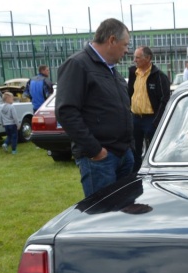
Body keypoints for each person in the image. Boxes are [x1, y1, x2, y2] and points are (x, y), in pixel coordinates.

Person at [55, 18, 134, 198]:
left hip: (123, 154)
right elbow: (66, 111)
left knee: (124, 209)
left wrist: (129, 148)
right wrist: (96, 151)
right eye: (125, 45)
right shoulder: (78, 65)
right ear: (111, 40)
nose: (127, 50)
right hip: (101, 159)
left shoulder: (111, 70)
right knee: (103, 212)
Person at [127, 46, 171, 172]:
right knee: (135, 151)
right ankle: (136, 175)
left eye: (137, 57)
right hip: (135, 119)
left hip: (151, 120)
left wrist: (156, 122)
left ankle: (154, 174)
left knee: (153, 152)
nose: (134, 60)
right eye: (134, 57)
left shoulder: (159, 76)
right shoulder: (133, 73)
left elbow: (164, 100)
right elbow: (129, 94)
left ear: (148, 58)